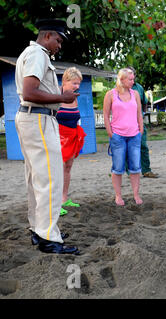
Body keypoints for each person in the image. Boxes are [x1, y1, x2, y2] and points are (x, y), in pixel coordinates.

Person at [15, 19, 79, 254]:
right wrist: (62, 98)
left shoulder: (30, 53)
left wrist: (59, 94)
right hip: (39, 119)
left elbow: (31, 91)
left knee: (36, 179)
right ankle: (48, 237)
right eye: (58, 40)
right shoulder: (38, 54)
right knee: (50, 179)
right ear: (48, 36)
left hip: (32, 118)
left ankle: (39, 229)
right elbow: (31, 92)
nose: (59, 45)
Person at [103, 68, 144, 206]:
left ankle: (136, 195)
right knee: (118, 167)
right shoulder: (110, 95)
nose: (133, 81)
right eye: (130, 79)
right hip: (118, 136)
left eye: (133, 79)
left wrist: (141, 130)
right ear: (122, 80)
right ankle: (118, 196)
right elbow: (106, 115)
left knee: (135, 167)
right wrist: (110, 133)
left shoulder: (136, 94)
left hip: (134, 135)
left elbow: (139, 113)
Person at [56, 67, 86, 216]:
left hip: (72, 136)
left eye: (78, 83)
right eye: (74, 83)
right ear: (65, 81)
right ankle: (55, 204)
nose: (77, 87)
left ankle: (64, 199)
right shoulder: (56, 94)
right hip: (58, 138)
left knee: (67, 168)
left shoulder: (74, 97)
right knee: (56, 170)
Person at [127, 66, 159, 178]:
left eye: (132, 75)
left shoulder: (139, 88)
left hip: (138, 122)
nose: (131, 77)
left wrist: (143, 113)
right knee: (127, 147)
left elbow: (145, 102)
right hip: (125, 123)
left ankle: (146, 170)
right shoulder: (118, 89)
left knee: (143, 146)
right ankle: (128, 171)